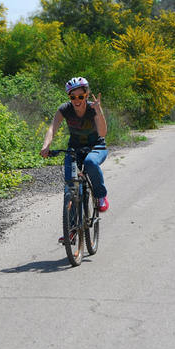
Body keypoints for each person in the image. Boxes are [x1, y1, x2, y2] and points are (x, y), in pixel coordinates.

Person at [40, 77, 109, 242]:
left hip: (96, 148)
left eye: (80, 96)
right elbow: (53, 127)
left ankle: (100, 195)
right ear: (69, 97)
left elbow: (103, 133)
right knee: (70, 188)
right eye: (73, 97)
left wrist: (98, 112)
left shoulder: (94, 108)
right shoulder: (64, 109)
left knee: (90, 163)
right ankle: (71, 229)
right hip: (75, 149)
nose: (77, 100)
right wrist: (46, 145)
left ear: (86, 94)